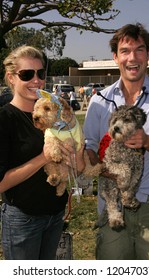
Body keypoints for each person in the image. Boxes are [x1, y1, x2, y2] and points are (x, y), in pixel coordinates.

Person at [83, 23, 149, 260]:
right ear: (115, 57)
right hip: (113, 207)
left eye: (139, 50)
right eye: (125, 51)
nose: (132, 58)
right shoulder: (99, 100)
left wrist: (148, 141)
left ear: (148, 55)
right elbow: (89, 146)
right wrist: (99, 166)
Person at [0, 45, 85, 260]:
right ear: (11, 78)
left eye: (40, 73)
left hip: (55, 215)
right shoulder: (5, 118)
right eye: (27, 74)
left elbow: (79, 166)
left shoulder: (56, 117)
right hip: (23, 220)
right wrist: (43, 158)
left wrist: (78, 155)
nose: (36, 80)